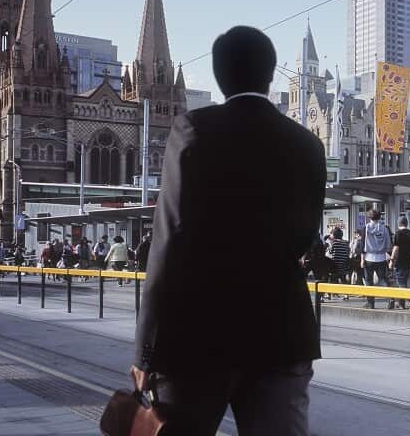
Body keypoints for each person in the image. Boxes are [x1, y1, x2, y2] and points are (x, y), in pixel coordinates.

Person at [133, 25, 324, 436]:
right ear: (271, 74)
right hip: (280, 331)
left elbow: (168, 241)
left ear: (219, 75)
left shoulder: (193, 130)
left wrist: (146, 350)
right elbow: (305, 235)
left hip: (198, 335)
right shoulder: (308, 144)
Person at [362, 210, 392, 309]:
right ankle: (390, 299)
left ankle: (370, 303)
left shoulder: (365, 228)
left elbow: (363, 245)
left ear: (369, 217)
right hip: (381, 257)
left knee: (369, 281)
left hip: (369, 258)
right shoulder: (385, 228)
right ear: (379, 217)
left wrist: (362, 260)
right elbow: (389, 244)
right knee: (383, 279)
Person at [389, 217, 410, 310]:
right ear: (407, 223)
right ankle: (401, 304)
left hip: (400, 262)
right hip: (409, 262)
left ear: (399, 224)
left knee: (401, 283)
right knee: (404, 283)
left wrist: (392, 261)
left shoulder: (398, 234)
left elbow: (396, 249)